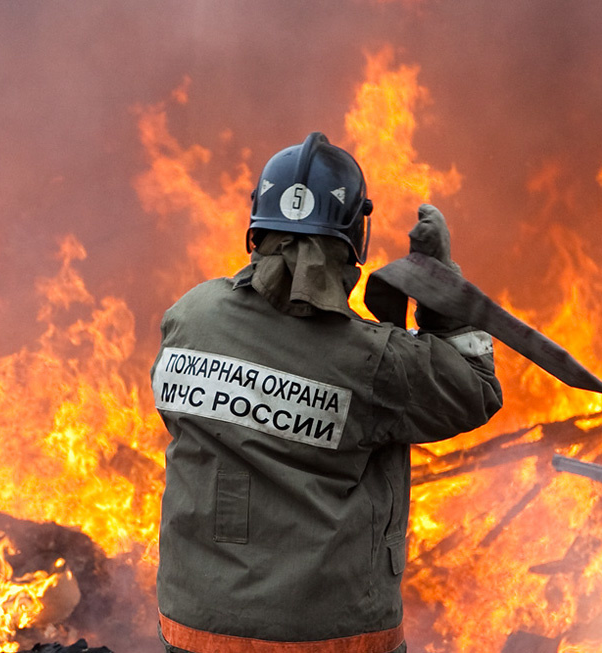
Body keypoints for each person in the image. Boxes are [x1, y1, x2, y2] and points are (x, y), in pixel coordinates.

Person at [150, 132, 502, 653]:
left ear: (257, 228)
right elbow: (475, 390)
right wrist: (440, 290)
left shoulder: (189, 315)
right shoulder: (373, 359)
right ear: (354, 239)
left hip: (194, 630)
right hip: (330, 637)